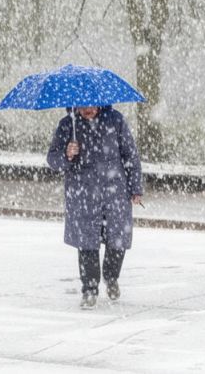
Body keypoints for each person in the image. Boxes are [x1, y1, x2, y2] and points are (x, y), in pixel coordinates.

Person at [46, 105, 143, 310]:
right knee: (87, 243)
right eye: (82, 106)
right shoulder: (67, 125)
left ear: (99, 103)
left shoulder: (115, 120)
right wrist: (67, 154)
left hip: (115, 192)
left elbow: (130, 155)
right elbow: (52, 159)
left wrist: (136, 188)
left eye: (90, 105)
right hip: (83, 194)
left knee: (117, 240)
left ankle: (111, 277)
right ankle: (89, 289)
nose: (87, 110)